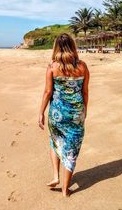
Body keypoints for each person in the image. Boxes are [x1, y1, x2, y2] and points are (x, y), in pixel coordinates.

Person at [38, 33, 90, 197]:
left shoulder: (52, 67)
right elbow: (85, 91)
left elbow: (48, 92)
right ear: (73, 46)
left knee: (56, 142)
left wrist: (41, 112)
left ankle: (55, 176)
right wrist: (84, 110)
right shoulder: (82, 66)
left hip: (57, 113)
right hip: (76, 113)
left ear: (56, 48)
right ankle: (65, 190)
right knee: (71, 149)